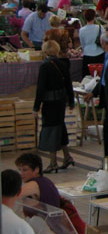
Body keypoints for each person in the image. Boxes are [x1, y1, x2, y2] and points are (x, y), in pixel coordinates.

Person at [33, 40, 75, 172]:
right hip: (60, 102)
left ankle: (53, 162)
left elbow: (40, 88)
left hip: (50, 103)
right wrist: (71, 101)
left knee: (50, 129)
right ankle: (67, 156)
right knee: (60, 127)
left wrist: (36, 107)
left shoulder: (45, 66)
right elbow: (69, 83)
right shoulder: (63, 64)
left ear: (45, 51)